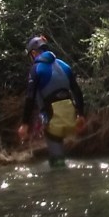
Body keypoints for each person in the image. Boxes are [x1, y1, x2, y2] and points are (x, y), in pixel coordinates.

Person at [18, 35, 85, 167]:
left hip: (52, 119)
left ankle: (59, 172)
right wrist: (81, 115)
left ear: (33, 53)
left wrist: (25, 124)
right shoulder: (65, 66)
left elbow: (30, 98)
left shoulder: (36, 69)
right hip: (71, 118)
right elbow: (77, 92)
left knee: (57, 163)